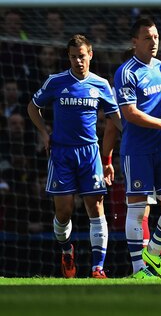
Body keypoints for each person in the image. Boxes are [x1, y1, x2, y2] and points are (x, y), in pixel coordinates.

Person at [27, 34, 122, 278]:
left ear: (90, 54)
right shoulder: (56, 81)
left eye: (82, 56)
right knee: (64, 211)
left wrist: (129, 138)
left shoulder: (101, 84)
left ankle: (97, 268)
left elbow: (116, 118)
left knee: (96, 207)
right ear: (68, 57)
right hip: (62, 153)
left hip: (90, 153)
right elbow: (32, 106)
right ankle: (66, 248)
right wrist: (44, 133)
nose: (78, 61)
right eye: (73, 57)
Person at [111, 17, 161, 279]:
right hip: (137, 150)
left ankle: (153, 249)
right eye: (148, 38)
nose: (154, 42)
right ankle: (139, 270)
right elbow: (130, 114)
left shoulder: (160, 67)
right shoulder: (126, 72)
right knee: (138, 210)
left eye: (156, 37)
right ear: (134, 41)